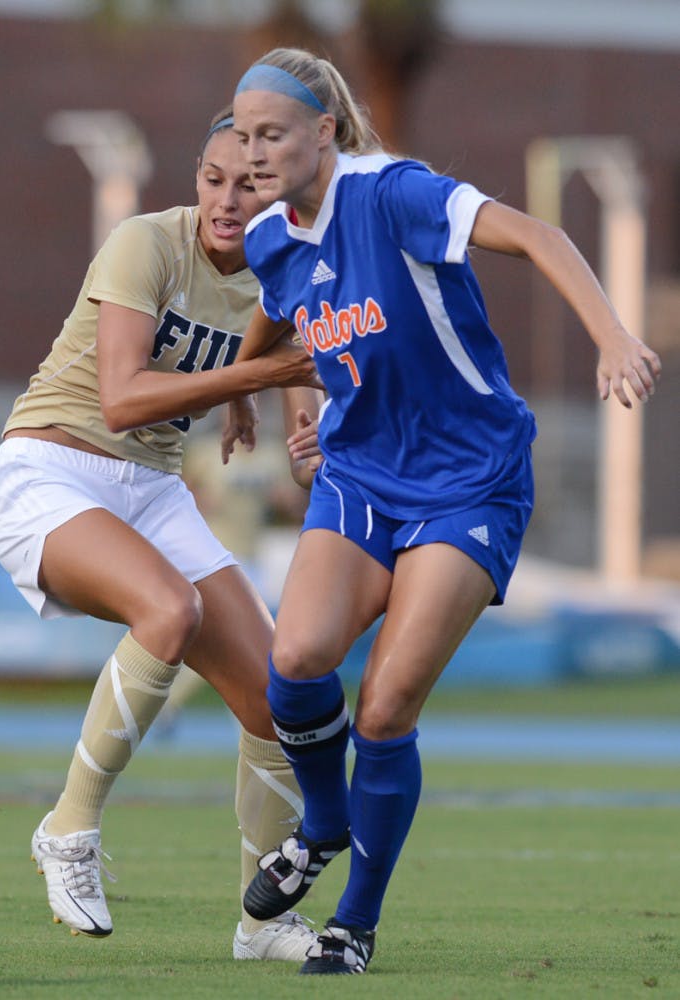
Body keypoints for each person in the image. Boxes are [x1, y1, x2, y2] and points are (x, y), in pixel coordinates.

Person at [227, 48, 663, 975]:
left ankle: (353, 923)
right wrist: (255, 399)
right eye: (244, 134)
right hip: (359, 477)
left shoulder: (397, 196)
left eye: (273, 133)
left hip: (470, 481)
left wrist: (614, 333)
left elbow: (542, 235)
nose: (254, 152)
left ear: (325, 133)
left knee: (383, 709)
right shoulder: (271, 237)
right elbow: (276, 320)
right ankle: (324, 822)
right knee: (297, 660)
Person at [0, 107, 324, 962]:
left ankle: (262, 924)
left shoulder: (288, 272)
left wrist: (305, 433)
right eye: (213, 179)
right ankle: (68, 830)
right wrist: (263, 376)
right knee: (167, 611)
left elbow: (294, 374)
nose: (226, 200)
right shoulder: (147, 242)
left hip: (153, 491)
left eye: (250, 184)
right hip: (51, 471)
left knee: (280, 705)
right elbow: (124, 401)